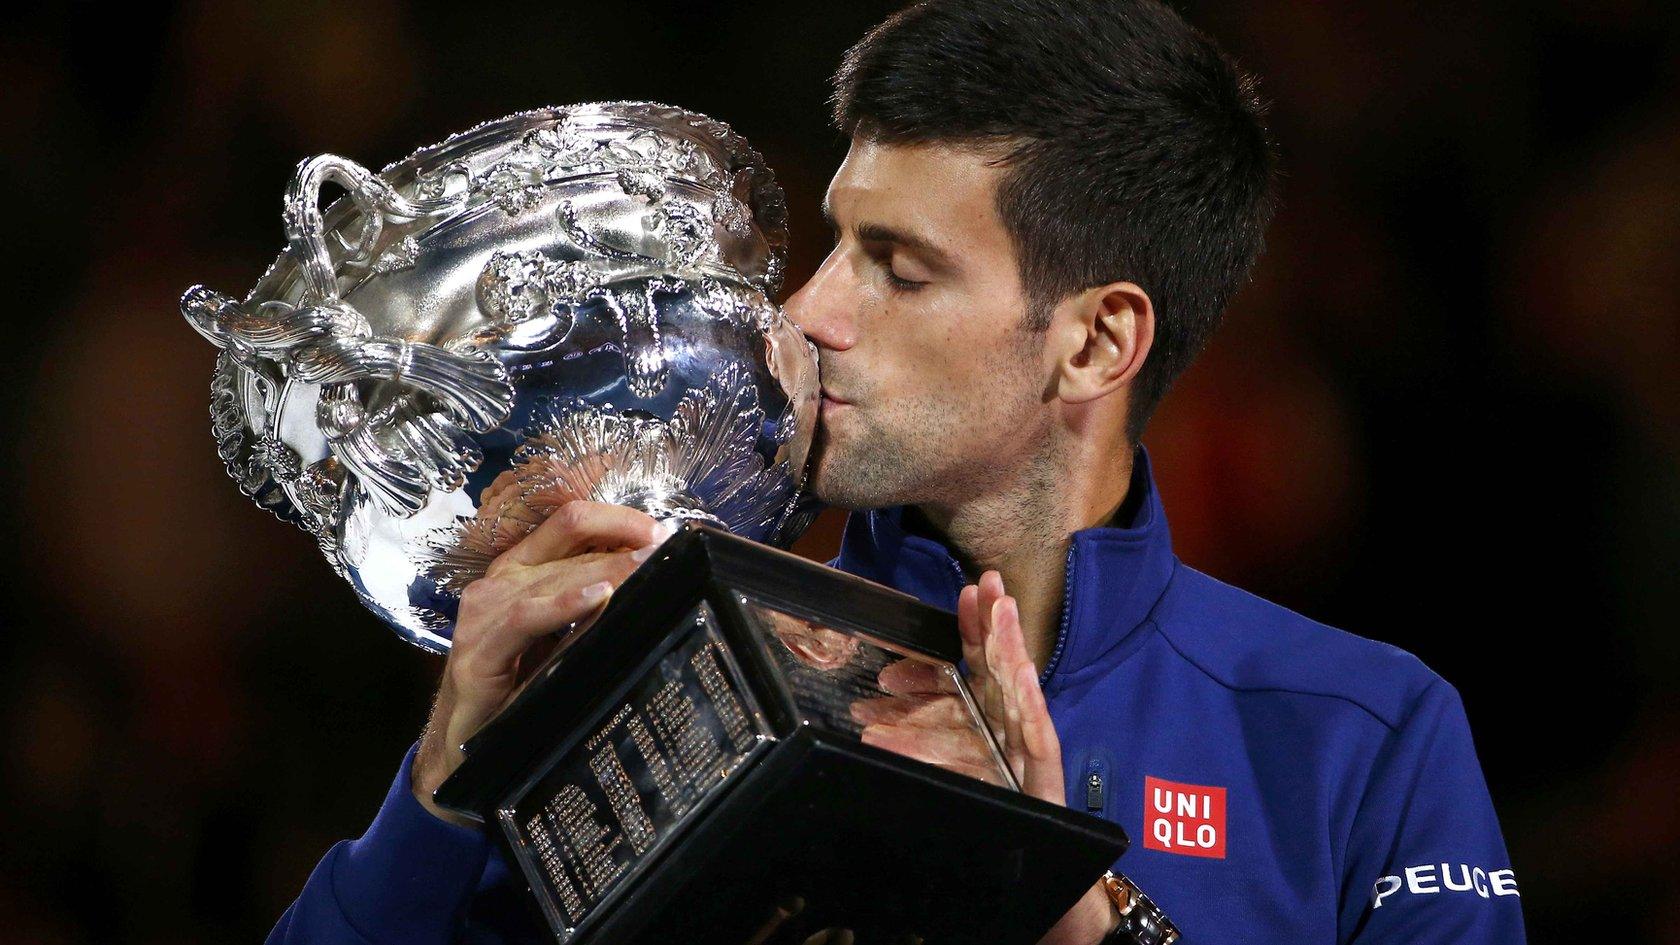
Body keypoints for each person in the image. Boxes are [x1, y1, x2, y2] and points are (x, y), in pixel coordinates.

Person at [266, 1, 1526, 943]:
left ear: (1096, 340)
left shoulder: (1360, 736)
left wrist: (1073, 912)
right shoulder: (654, 675)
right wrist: (436, 804)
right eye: (832, 242)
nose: (808, 311)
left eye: (899, 267)